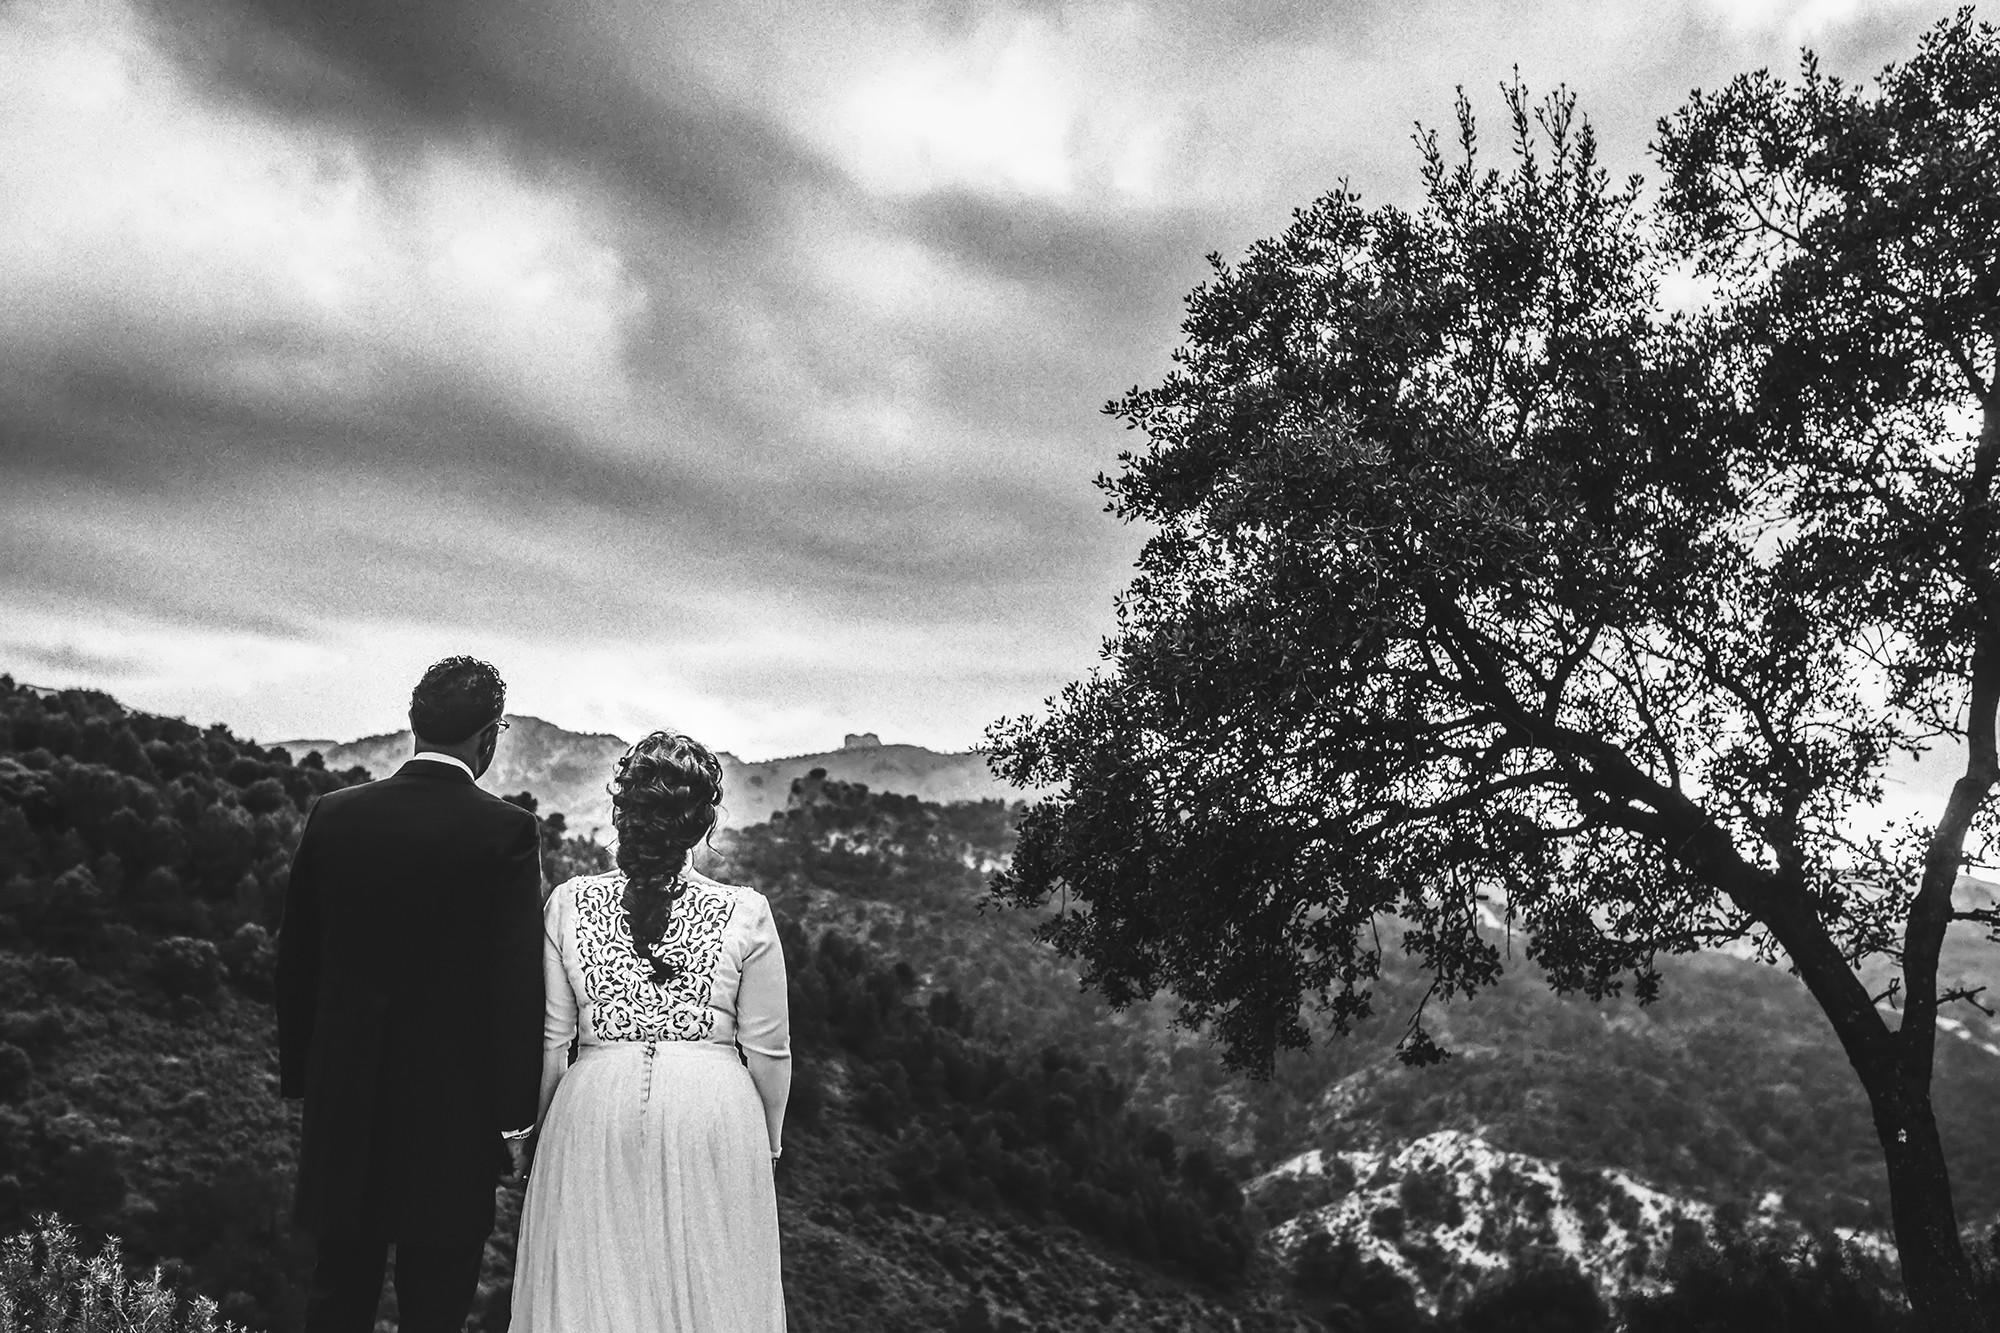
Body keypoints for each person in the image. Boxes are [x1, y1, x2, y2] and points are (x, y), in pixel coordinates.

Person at [276, 657, 544, 1333]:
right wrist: (515, 1120)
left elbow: (297, 957)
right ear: (488, 735)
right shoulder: (507, 831)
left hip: (346, 1103)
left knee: (336, 1298)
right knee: (436, 1306)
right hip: (453, 1120)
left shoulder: (336, 814)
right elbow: (515, 985)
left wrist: (305, 1077)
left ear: (414, 723)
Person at [511, 731, 791, 1332]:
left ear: (624, 814)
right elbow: (770, 1053)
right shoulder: (747, 912)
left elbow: (552, 1043)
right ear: (702, 822)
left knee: (590, 1287)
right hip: (715, 1114)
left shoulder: (567, 903)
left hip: (589, 1110)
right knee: (710, 1291)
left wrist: (538, 1136)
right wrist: (766, 1145)